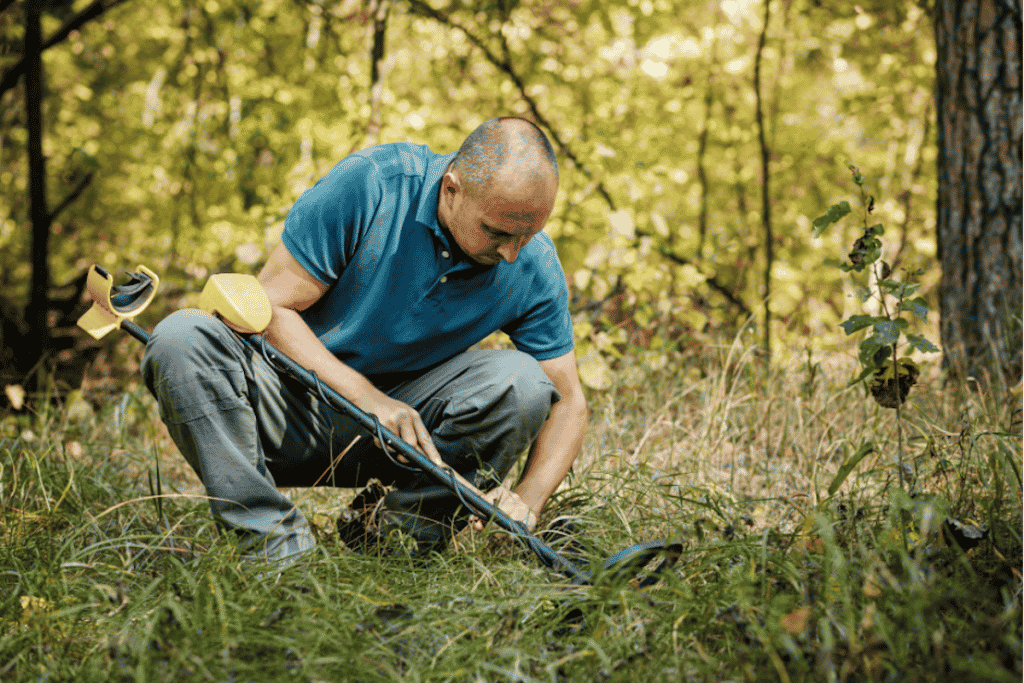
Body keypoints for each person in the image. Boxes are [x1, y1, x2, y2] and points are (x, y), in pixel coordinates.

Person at [141, 116, 588, 564]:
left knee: (524, 384)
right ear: (451, 189)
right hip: (285, 405)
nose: (512, 252)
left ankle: (392, 541)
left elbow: (568, 402)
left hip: (408, 435)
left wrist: (527, 500)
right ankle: (275, 546)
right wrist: (365, 397)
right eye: (497, 232)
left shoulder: (532, 264)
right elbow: (271, 308)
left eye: (528, 235)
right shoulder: (374, 184)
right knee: (181, 336)